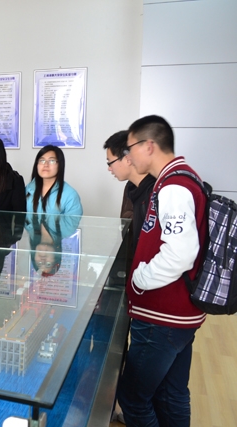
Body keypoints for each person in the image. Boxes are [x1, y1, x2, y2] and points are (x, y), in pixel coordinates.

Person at [117, 115, 208, 427]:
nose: (128, 157)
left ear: (149, 146)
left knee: (133, 398)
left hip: (162, 318)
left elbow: (180, 253)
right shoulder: (178, 178)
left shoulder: (174, 187)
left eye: (130, 148)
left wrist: (139, 279)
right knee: (170, 395)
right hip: (178, 315)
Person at [104, 130, 156, 251]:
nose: (109, 169)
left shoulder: (155, 191)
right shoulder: (131, 187)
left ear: (128, 159)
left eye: (110, 162)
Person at [25, 145, 82, 216]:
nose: (46, 165)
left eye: (52, 161)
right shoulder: (28, 189)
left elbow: (72, 222)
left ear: (60, 165)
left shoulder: (70, 195)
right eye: (42, 160)